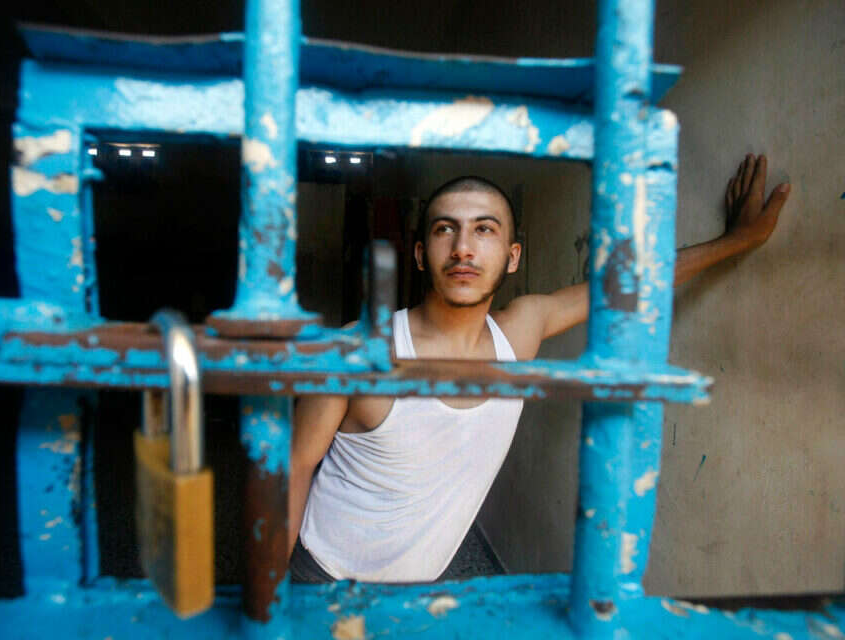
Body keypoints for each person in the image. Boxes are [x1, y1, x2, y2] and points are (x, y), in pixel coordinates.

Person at [288, 154, 791, 583]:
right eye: (445, 229)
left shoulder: (519, 333)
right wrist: (265, 605)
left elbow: (630, 285)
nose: (463, 248)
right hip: (323, 575)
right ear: (421, 254)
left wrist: (738, 241)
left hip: (424, 589)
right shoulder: (357, 351)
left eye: (484, 229)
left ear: (512, 257)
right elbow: (290, 470)